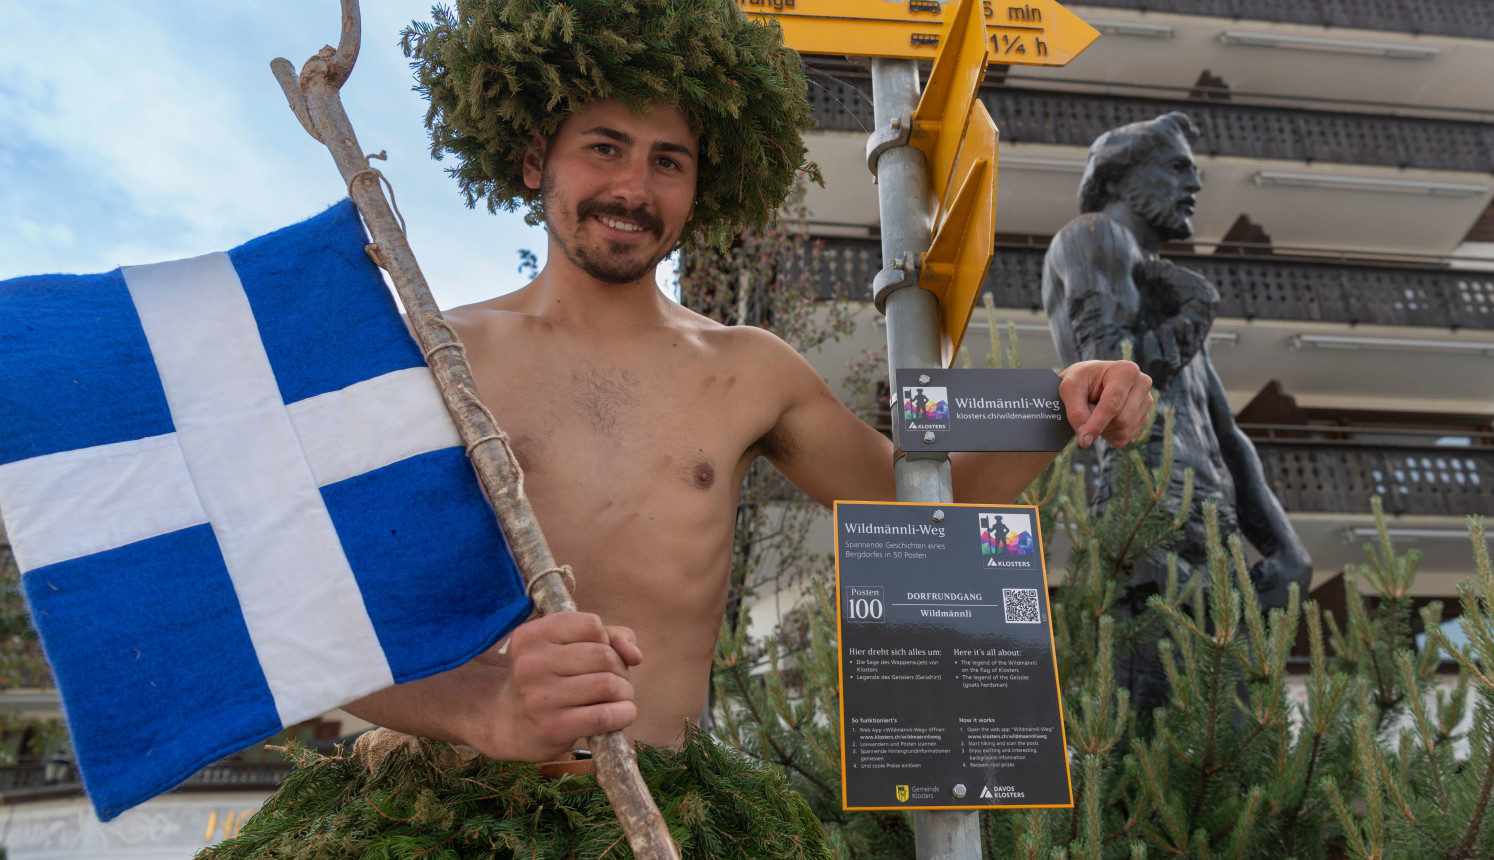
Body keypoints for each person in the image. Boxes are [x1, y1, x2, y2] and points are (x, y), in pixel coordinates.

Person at [344, 0, 1154, 764]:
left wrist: (1064, 403)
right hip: (445, 812)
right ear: (532, 163)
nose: (633, 188)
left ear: (698, 190)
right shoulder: (436, 356)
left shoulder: (750, 371)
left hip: (670, 812)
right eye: (603, 147)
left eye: (669, 161)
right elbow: (309, 626)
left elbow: (928, 512)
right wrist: (483, 710)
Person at [1041, 113, 1311, 700]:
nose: (1194, 184)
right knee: (1160, 723)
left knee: (1227, 743)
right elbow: (1112, 376)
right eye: (1177, 168)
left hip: (1208, 526)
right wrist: (1194, 313)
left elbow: (1226, 433)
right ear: (1119, 180)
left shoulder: (1165, 285)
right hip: (1149, 513)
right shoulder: (1093, 237)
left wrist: (1287, 548)